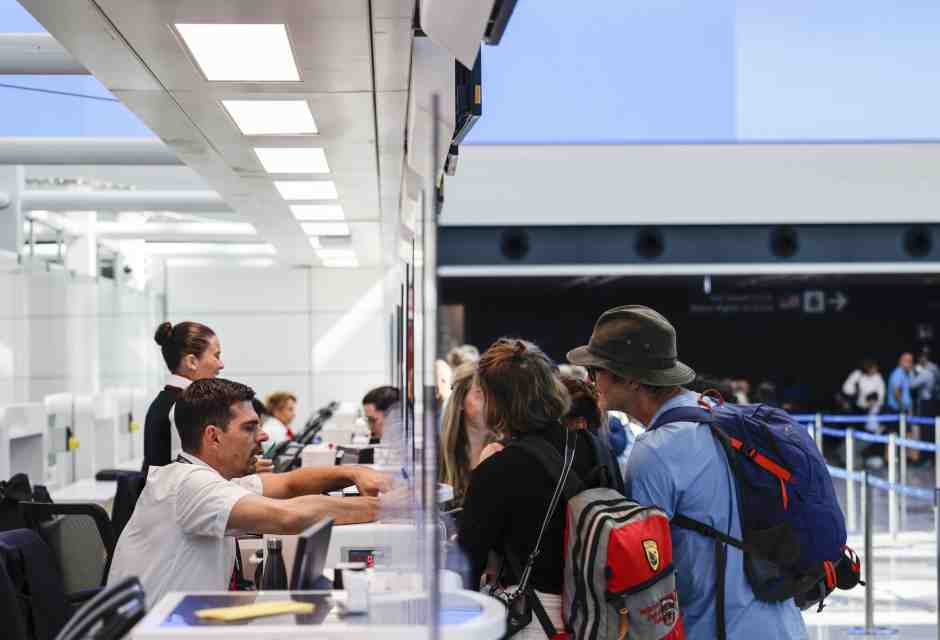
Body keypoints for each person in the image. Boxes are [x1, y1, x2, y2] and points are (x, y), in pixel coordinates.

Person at [568, 305, 806, 639]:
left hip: (717, 629)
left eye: (596, 371)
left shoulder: (656, 451)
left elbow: (643, 575)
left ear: (631, 378)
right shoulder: (716, 411)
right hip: (783, 624)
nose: (591, 382)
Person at [109, 378, 391, 607]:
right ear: (213, 437)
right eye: (249, 428)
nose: (264, 435)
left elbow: (289, 484)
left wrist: (353, 473)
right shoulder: (190, 485)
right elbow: (289, 517)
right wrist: (387, 506)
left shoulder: (209, 478)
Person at [458, 338, 619, 640]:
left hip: (535, 619)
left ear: (496, 400)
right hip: (603, 614)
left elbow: (465, 566)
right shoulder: (596, 448)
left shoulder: (496, 469)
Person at [143, 321, 224, 473]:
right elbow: (189, 472)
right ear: (192, 362)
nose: (221, 365)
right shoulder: (184, 406)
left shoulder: (167, 400)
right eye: (216, 356)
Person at [439, 362, 495, 508]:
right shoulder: (438, 453)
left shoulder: (505, 450)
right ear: (460, 402)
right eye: (480, 393)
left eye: (493, 394)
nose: (491, 403)